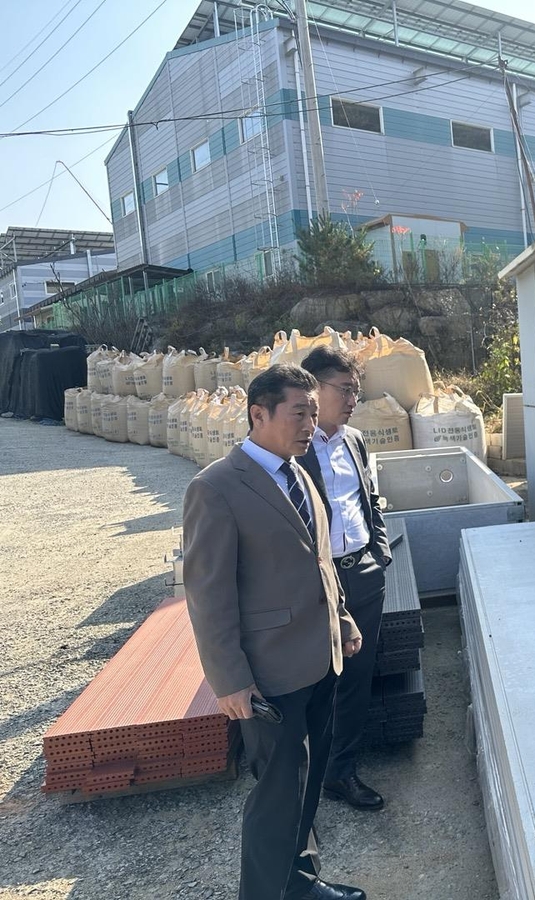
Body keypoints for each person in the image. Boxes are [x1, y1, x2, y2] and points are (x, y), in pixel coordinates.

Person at [182, 364, 367, 900]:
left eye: (313, 412)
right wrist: (230, 681)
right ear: (258, 414)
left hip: (321, 657)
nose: (310, 424)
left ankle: (300, 882)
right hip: (270, 673)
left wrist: (343, 620)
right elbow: (208, 596)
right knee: (278, 794)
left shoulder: (298, 472)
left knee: (305, 785)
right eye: (299, 413)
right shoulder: (216, 487)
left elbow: (321, 561)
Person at [298, 346, 393, 811]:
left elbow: (369, 499)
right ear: (313, 389)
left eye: (357, 391)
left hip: (363, 574)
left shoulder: (355, 440)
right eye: (345, 390)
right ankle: (302, 770)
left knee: (357, 677)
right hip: (317, 581)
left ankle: (341, 772)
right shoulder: (294, 446)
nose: (353, 399)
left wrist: (380, 551)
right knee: (316, 677)